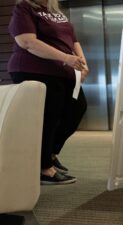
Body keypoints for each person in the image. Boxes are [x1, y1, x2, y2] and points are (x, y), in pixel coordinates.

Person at [7, 0, 89, 185]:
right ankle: (44, 169)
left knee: (77, 109)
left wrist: (82, 63)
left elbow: (73, 40)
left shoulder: (56, 12)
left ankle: (48, 154)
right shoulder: (24, 8)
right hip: (34, 69)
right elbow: (27, 41)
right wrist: (67, 58)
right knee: (49, 118)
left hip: (64, 71)